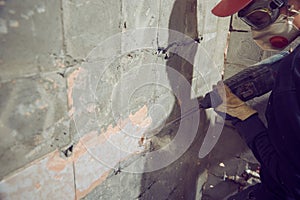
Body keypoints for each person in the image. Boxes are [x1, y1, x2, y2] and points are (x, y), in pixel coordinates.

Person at [210, 0, 300, 199]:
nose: (256, 30)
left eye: (258, 18)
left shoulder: (293, 75)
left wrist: (245, 118)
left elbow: (294, 185)